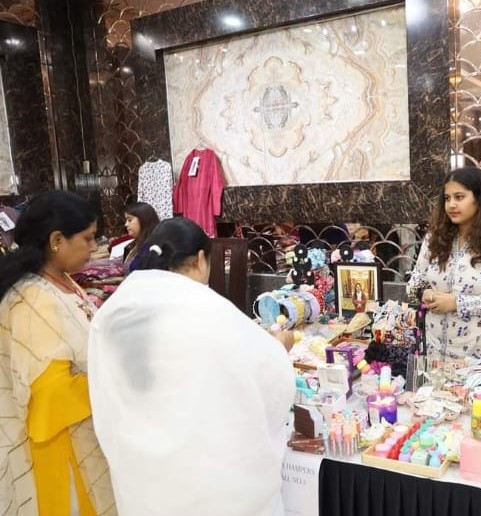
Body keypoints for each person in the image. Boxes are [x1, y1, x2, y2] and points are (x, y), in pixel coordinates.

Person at [88, 217, 295, 516]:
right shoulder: (207, 309)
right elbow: (271, 377)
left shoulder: (114, 309)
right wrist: (279, 345)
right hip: (207, 484)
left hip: (143, 478)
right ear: (200, 259)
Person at [0, 191, 116, 515]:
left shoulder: (61, 280)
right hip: (61, 444)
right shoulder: (32, 298)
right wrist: (117, 381)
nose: (94, 247)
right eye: (88, 238)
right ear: (56, 241)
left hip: (84, 429)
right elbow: (51, 395)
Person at [406, 167, 481, 360]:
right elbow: (416, 280)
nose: (451, 205)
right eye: (447, 198)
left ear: (479, 199)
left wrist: (457, 303)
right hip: (436, 352)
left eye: (459, 197)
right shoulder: (435, 238)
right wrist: (423, 293)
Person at [121, 201, 159, 273]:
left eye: (129, 220)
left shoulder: (152, 246)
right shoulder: (137, 243)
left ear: (143, 220)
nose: (126, 224)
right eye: (126, 220)